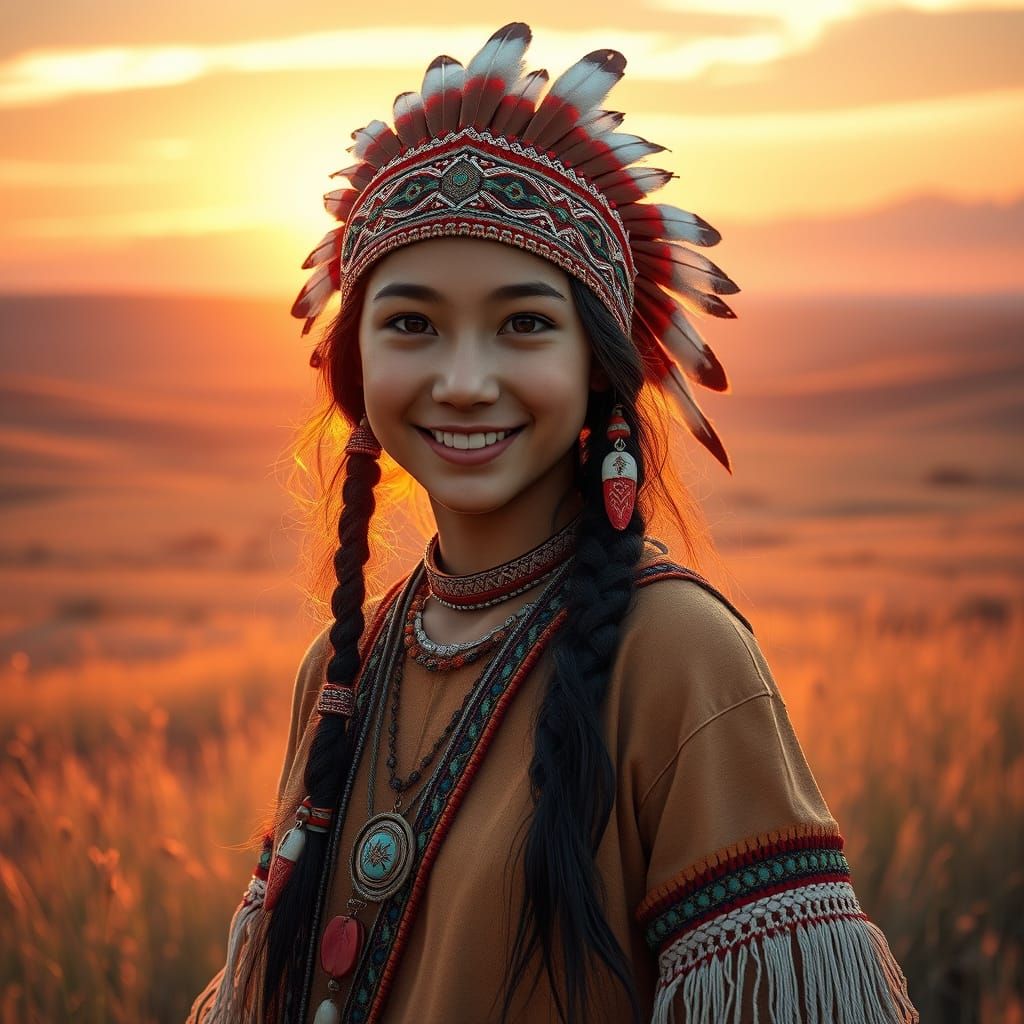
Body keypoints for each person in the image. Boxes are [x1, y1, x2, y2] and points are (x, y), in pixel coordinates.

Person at [188, 23, 919, 1024]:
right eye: (410, 323)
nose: (463, 379)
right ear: (355, 364)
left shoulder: (678, 657)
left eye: (524, 322)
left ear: (598, 369)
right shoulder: (339, 667)